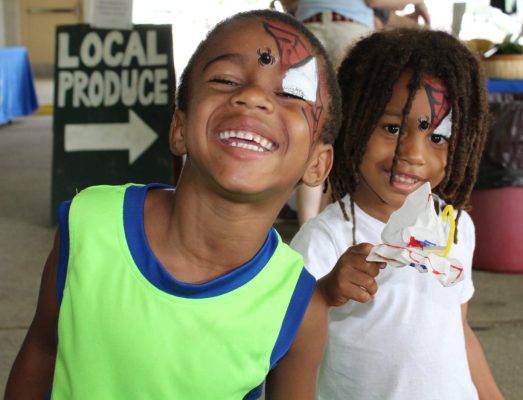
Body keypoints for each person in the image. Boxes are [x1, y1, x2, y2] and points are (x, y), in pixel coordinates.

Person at [5, 9, 342, 399]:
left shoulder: (298, 308)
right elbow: (43, 349)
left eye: (290, 93)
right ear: (179, 128)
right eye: (226, 80)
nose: (252, 96)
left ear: (318, 164)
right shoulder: (89, 225)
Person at [291, 28, 505, 399]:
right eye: (392, 128)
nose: (413, 154)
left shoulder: (457, 228)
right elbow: (288, 343)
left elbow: (458, 328)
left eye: (437, 137)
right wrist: (325, 292)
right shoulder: (326, 238)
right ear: (354, 122)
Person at [293, 0, 431, 226]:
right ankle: (320, 224)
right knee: (341, 133)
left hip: (306, 32)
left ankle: (306, 227)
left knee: (313, 132)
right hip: (348, 33)